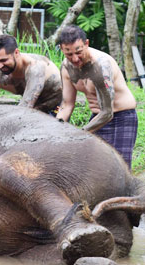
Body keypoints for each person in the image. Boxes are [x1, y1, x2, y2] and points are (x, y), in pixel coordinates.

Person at [56, 25, 138, 169]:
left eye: (78, 52)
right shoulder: (66, 67)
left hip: (121, 117)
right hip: (96, 117)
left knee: (120, 169)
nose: (75, 58)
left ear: (86, 44)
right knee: (93, 169)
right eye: (69, 54)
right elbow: (67, 105)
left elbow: (107, 112)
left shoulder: (101, 66)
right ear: (62, 49)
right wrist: (55, 129)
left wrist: (80, 133)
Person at [0, 34, 62, 115]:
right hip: (32, 109)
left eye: (4, 60)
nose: (0, 65)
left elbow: (25, 109)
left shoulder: (35, 68)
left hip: (55, 109)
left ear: (16, 52)